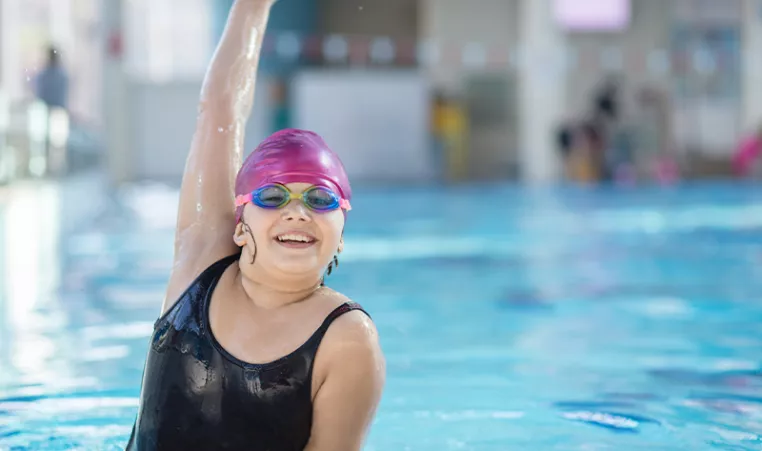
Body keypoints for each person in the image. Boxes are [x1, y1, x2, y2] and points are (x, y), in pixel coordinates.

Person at [126, 1, 385, 450]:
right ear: (240, 224)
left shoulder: (346, 339)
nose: (298, 211)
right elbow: (219, 110)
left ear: (341, 232)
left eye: (320, 199)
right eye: (273, 195)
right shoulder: (200, 261)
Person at [35, 45, 69, 110]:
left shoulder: (43, 76)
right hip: (57, 110)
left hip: (48, 110)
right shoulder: (62, 75)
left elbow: (39, 94)